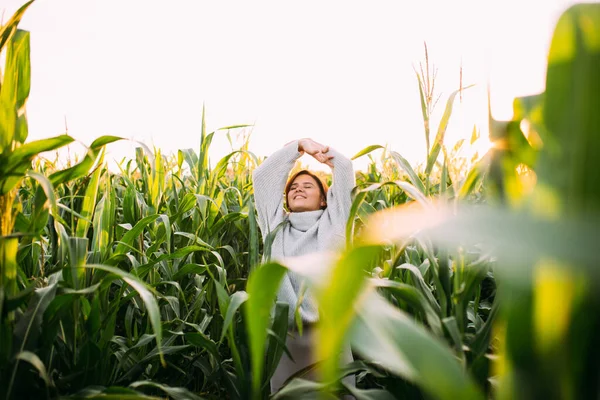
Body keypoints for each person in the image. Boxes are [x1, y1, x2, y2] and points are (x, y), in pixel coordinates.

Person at [252, 138, 355, 394]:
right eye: (293, 187)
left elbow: (344, 169)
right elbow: (262, 177)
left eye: (308, 186)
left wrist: (322, 153)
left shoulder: (336, 222)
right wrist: (299, 146)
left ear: (324, 199)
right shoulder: (274, 226)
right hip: (286, 340)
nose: (298, 189)